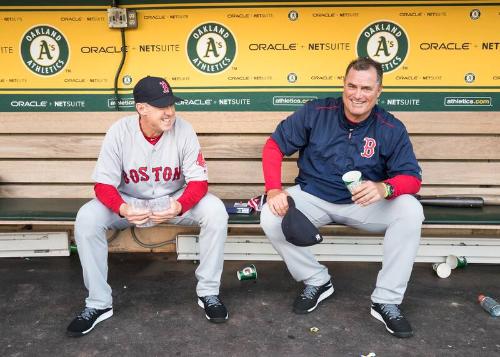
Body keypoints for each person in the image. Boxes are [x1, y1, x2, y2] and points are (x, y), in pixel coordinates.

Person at [260, 57, 424, 338]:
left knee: (410, 210)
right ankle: (317, 280)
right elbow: (274, 146)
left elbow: (412, 178)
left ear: (379, 91)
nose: (358, 94)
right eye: (352, 86)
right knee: (270, 216)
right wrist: (274, 188)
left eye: (366, 88)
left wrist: (385, 188)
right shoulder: (317, 112)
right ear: (343, 85)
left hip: (364, 205)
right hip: (314, 195)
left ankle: (386, 300)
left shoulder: (390, 127)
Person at [67, 76, 229, 337]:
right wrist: (122, 208)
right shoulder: (119, 132)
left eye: (171, 104)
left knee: (215, 210)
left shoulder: (184, 129)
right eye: (161, 105)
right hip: (129, 201)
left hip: (173, 200)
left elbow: (199, 182)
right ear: (141, 108)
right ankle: (98, 303)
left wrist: (179, 205)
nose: (170, 111)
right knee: (87, 217)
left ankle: (209, 292)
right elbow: (102, 185)